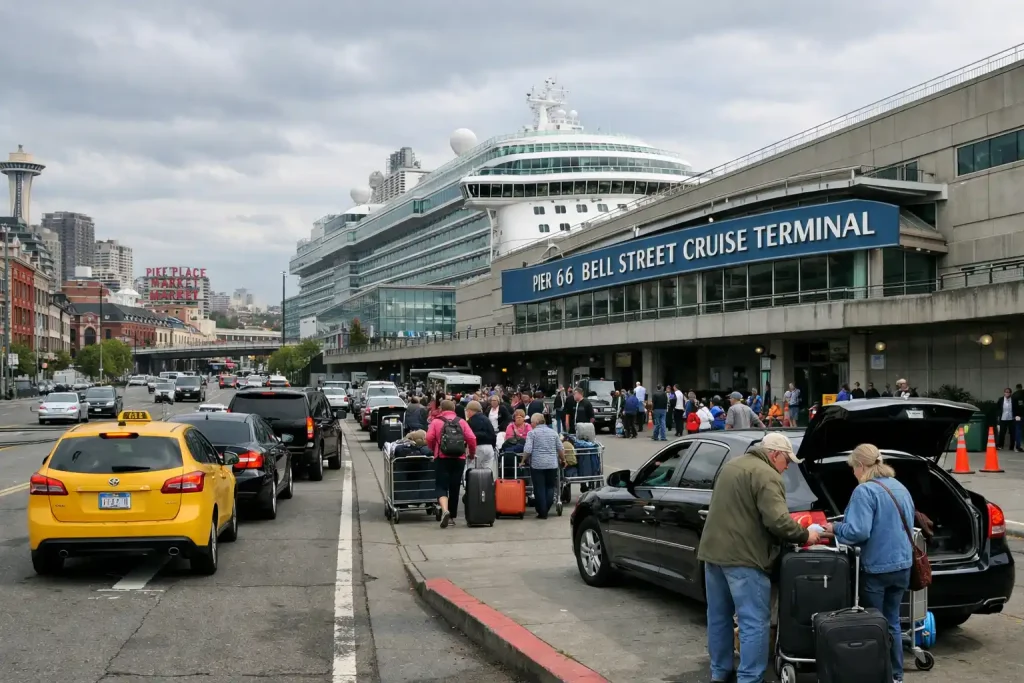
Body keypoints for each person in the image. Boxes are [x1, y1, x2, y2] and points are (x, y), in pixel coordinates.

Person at [699, 432, 818, 683]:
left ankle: (719, 672)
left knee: (718, 617)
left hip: (713, 554)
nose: (786, 468)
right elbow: (778, 521)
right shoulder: (767, 475)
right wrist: (805, 535)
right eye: (787, 462)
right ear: (775, 455)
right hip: (745, 559)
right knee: (753, 621)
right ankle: (750, 678)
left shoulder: (732, 466)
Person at [823, 444, 915, 683]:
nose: (853, 473)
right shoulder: (900, 487)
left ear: (861, 466)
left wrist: (834, 528)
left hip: (876, 568)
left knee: (874, 624)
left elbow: (858, 532)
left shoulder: (864, 491)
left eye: (854, 468)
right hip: (903, 565)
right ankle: (896, 675)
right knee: (892, 621)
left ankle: (878, 673)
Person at [426, 399, 477, 529]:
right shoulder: (461, 422)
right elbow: (472, 438)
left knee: (442, 485)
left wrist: (433, 449)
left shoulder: (436, 422)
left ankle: (445, 510)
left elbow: (429, 438)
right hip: (459, 458)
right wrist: (471, 453)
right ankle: (452, 517)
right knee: (455, 487)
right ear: (454, 409)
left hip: (441, 457)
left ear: (441, 409)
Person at [523, 413, 565, 519]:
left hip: (537, 465)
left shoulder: (532, 434)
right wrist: (563, 459)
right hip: (552, 464)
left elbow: (528, 449)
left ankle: (542, 511)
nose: (531, 424)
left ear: (536, 422)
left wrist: (523, 460)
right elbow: (560, 448)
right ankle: (546, 507)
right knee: (550, 487)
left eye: (531, 422)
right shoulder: (553, 433)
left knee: (539, 488)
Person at [465, 400, 497, 479]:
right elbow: (493, 434)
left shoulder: (470, 421)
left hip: (477, 447)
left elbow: (470, 436)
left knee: (472, 471)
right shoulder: (487, 419)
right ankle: (486, 489)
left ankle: (472, 489)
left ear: (470, 411)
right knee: (487, 472)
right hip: (489, 448)